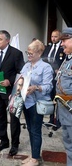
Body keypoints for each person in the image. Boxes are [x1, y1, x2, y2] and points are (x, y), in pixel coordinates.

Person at [17, 39, 53, 166]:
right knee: (31, 129)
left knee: (36, 130)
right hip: (26, 102)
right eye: (28, 53)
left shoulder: (46, 67)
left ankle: (35, 159)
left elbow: (49, 86)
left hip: (37, 103)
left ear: (39, 53)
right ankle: (33, 155)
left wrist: (36, 87)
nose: (28, 55)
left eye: (31, 53)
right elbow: (21, 76)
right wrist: (20, 83)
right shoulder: (27, 65)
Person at [0, 30, 24, 156]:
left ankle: (15, 144)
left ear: (7, 40)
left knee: (14, 119)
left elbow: (21, 73)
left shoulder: (16, 53)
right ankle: (4, 141)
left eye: (0, 39)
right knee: (0, 117)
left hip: (11, 92)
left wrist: (10, 81)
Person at [55, 27, 72, 166]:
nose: (61, 43)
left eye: (65, 40)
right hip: (65, 114)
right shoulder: (67, 60)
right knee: (69, 147)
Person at [42, 29, 66, 126]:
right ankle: (51, 120)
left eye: (55, 36)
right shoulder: (48, 47)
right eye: (52, 36)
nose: (53, 38)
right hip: (49, 77)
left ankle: (58, 121)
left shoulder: (63, 48)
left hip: (59, 77)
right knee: (51, 98)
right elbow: (44, 58)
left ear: (60, 37)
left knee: (58, 99)